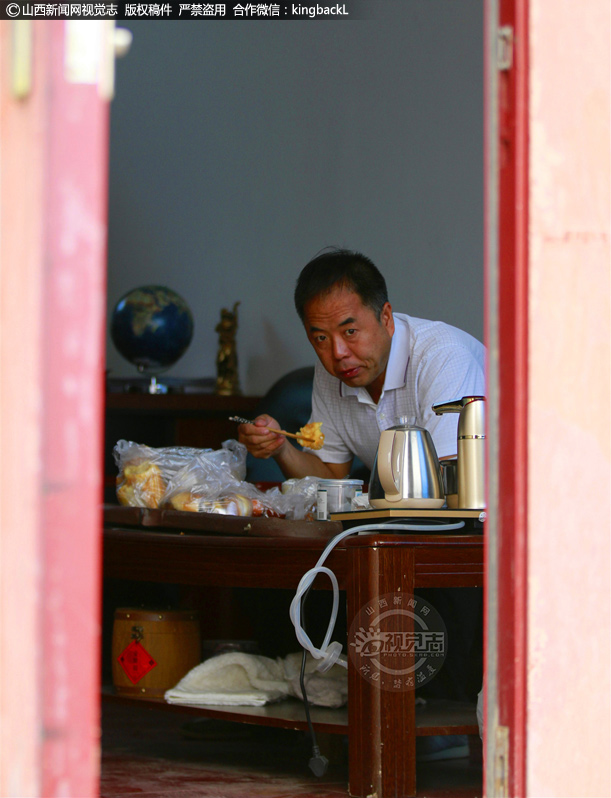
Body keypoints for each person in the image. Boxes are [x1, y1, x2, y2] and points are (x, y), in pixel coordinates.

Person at [238, 248, 485, 475]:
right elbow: (331, 476)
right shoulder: (332, 373)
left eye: (350, 332)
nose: (338, 353)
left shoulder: (442, 357)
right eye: (321, 338)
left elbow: (452, 481)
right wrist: (282, 448)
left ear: (386, 318)